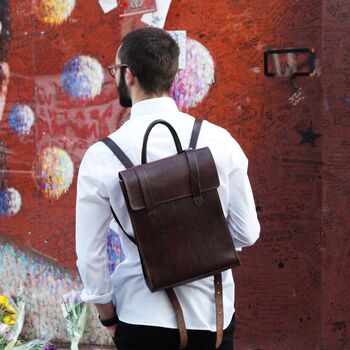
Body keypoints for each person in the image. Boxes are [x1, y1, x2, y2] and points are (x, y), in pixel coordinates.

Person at [76, 27, 260, 350]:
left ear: (129, 75)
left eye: (115, 69)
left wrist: (108, 319)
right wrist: (197, 244)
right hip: (212, 320)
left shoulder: (102, 156)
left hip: (140, 319)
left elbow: (90, 258)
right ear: (171, 74)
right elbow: (247, 232)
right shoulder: (220, 142)